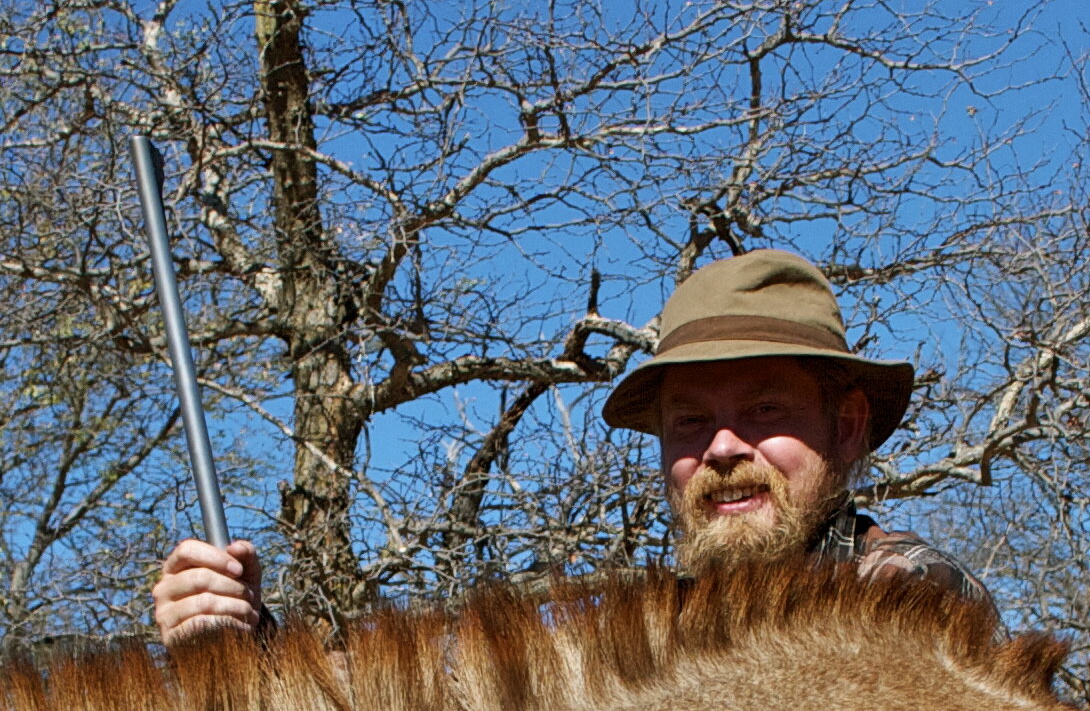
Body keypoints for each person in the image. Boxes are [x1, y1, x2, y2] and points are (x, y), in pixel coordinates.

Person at [150, 250, 983, 645]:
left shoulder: (909, 597)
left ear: (846, 427)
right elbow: (429, 693)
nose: (724, 446)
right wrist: (247, 634)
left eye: (764, 410)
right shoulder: (627, 614)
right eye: (690, 422)